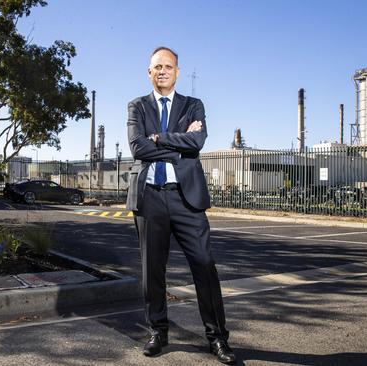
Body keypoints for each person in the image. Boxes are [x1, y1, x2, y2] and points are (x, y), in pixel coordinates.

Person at [126, 46, 236, 365]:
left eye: (168, 66)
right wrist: (176, 146)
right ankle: (158, 331)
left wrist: (158, 139)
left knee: (204, 264)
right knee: (152, 271)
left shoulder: (193, 105)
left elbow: (198, 142)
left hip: (186, 197)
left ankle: (217, 338)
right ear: (149, 72)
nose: (162, 71)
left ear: (177, 72)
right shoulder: (137, 106)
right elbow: (137, 147)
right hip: (149, 197)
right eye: (157, 66)